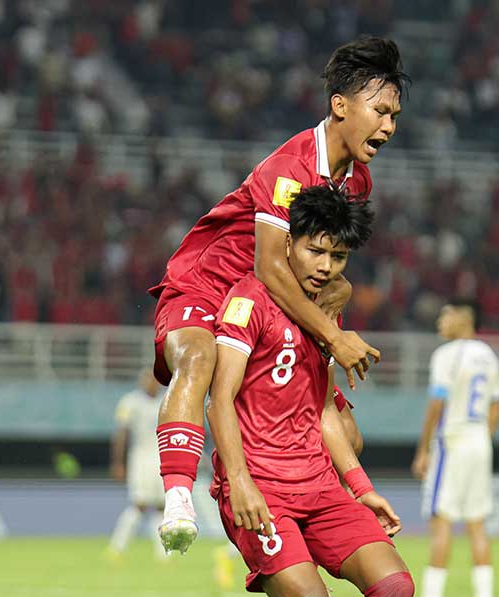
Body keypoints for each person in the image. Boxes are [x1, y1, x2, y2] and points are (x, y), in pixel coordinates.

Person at [149, 37, 409, 554]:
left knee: (345, 436)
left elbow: (318, 273)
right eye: (379, 111)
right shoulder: (291, 167)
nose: (389, 127)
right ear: (340, 105)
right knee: (198, 361)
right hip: (208, 285)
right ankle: (179, 499)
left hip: (269, 312)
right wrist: (333, 336)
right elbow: (270, 266)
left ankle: (300, 529)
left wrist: (338, 298)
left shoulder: (357, 183)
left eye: (395, 116)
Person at [208, 185, 413, 597]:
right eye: (314, 249)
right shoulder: (248, 299)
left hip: (319, 486)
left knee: (395, 591)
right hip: (261, 489)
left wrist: (362, 489)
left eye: (337, 255)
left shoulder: (327, 315)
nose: (324, 265)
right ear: (287, 244)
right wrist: (241, 481)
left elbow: (321, 412)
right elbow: (219, 399)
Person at [410, 300, 499, 597]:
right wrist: (483, 438)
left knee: (442, 520)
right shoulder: (489, 355)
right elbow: (495, 407)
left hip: (452, 440)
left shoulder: (447, 355)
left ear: (463, 319)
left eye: (445, 315)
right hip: (479, 440)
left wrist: (423, 448)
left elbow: (437, 402)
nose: (440, 321)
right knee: (477, 523)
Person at [106, 369, 167, 560]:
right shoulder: (130, 402)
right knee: (139, 504)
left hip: (162, 459)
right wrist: (118, 462)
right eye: (147, 380)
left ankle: (163, 555)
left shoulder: (166, 400)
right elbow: (121, 434)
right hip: (140, 459)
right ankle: (117, 548)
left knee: (161, 506)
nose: (150, 384)